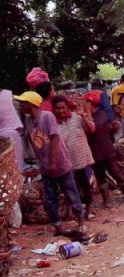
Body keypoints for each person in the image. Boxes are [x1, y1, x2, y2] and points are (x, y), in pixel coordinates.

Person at [14, 91, 85, 234]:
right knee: (50, 198)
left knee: (71, 193)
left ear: (31, 104)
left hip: (60, 164)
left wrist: (52, 162)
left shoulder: (47, 117)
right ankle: (58, 227)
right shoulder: (28, 121)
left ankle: (81, 222)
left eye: (23, 103)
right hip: (45, 167)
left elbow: (55, 138)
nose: (21, 105)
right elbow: (31, 142)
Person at [82, 91, 124, 207]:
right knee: (100, 176)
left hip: (105, 149)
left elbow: (93, 128)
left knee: (115, 172)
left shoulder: (101, 115)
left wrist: (86, 114)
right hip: (95, 150)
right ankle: (107, 200)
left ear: (91, 104)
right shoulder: (90, 116)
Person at [52, 95, 96, 219]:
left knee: (86, 187)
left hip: (83, 159)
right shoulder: (54, 124)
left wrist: (84, 115)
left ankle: (88, 211)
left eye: (63, 107)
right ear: (54, 109)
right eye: (58, 108)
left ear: (67, 107)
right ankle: (75, 213)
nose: (61, 111)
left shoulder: (77, 117)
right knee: (71, 189)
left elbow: (92, 129)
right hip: (67, 163)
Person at [0, 88, 25, 172]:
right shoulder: (7, 94)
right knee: (17, 164)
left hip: (4, 135)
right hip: (13, 132)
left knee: (7, 167)